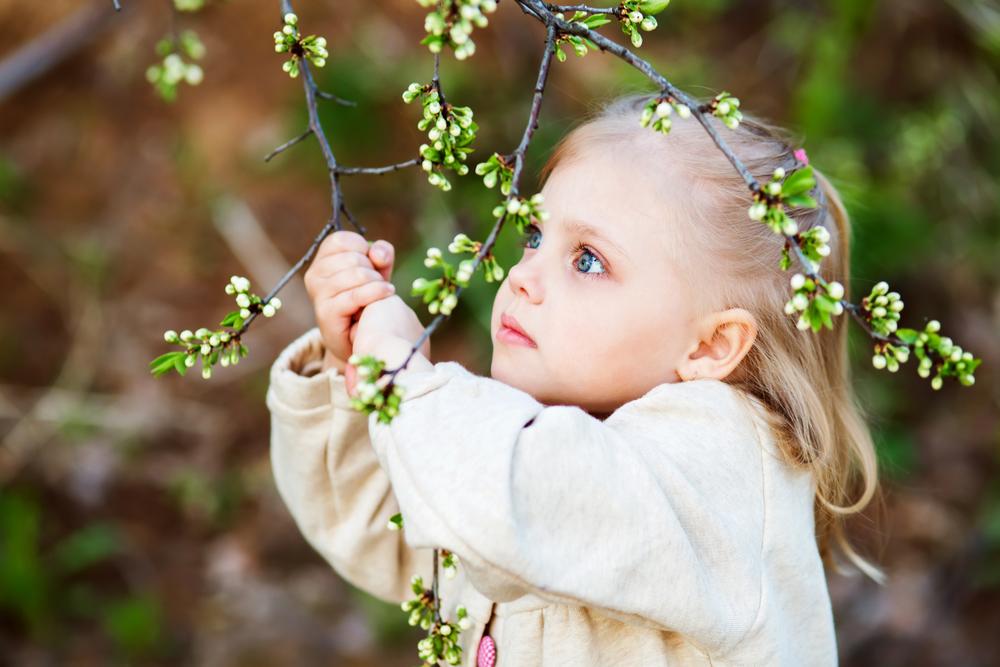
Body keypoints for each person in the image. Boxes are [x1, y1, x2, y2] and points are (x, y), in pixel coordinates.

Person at [265, 91, 883, 666]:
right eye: (534, 235)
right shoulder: (542, 434)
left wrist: (399, 366)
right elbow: (393, 525)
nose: (523, 277)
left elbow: (508, 497)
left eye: (588, 261)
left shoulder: (721, 465)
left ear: (712, 345)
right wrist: (353, 365)